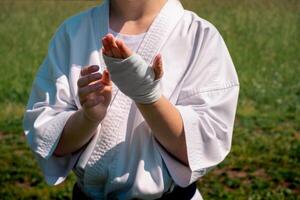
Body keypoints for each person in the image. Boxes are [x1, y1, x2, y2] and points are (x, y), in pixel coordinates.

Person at [23, 0, 239, 199]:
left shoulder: (199, 36)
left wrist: (149, 98)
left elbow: (200, 147)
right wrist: (88, 117)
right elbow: (50, 141)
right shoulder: (73, 33)